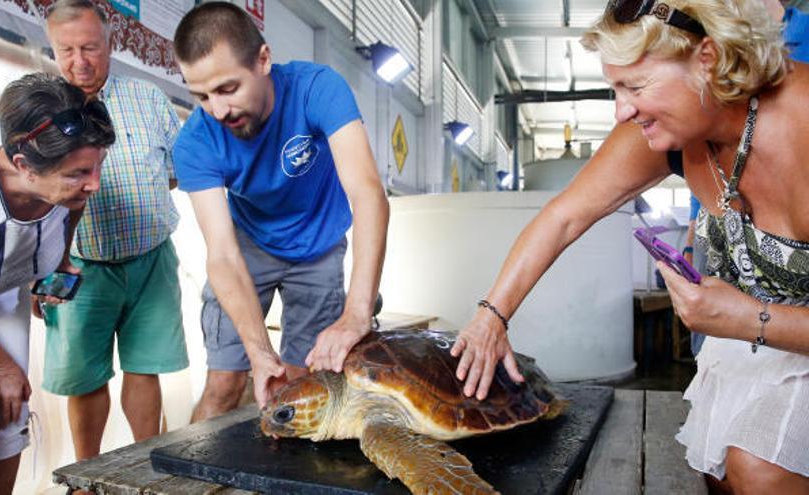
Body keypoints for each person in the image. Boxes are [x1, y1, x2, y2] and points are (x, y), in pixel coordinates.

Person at [452, 0, 809, 492]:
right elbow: (564, 216)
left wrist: (746, 318)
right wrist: (492, 315)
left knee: (759, 470)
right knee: (718, 471)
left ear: (707, 58)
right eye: (616, 87)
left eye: (636, 86)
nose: (623, 110)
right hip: (754, 344)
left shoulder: (803, 128)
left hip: (784, 338)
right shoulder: (671, 134)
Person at [171, 2, 389, 420]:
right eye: (200, 96)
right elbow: (221, 252)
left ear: (264, 60)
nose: (217, 111)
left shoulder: (318, 89)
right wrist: (257, 351)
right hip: (250, 247)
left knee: (300, 382)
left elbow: (368, 194)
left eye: (227, 89)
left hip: (321, 247)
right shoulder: (196, 142)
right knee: (225, 384)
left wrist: (357, 312)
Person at [0, 73, 114, 494]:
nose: (94, 183)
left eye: (97, 166)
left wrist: (59, 263)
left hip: (0, 290)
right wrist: (1, 366)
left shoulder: (71, 182)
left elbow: (72, 208)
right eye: (79, 173)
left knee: (13, 412)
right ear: (23, 167)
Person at [40, 0, 189, 460]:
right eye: (66, 50)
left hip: (150, 260)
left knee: (146, 370)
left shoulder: (147, 98)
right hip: (78, 265)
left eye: (90, 47)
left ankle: (147, 470)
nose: (79, 61)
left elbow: (175, 171)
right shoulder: (42, 109)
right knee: (84, 377)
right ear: (52, 48)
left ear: (112, 43)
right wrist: (39, 271)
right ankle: (86, 477)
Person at [683, 193, 709, 356]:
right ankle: (699, 353)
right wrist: (689, 249)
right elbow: (695, 206)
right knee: (701, 293)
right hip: (705, 230)